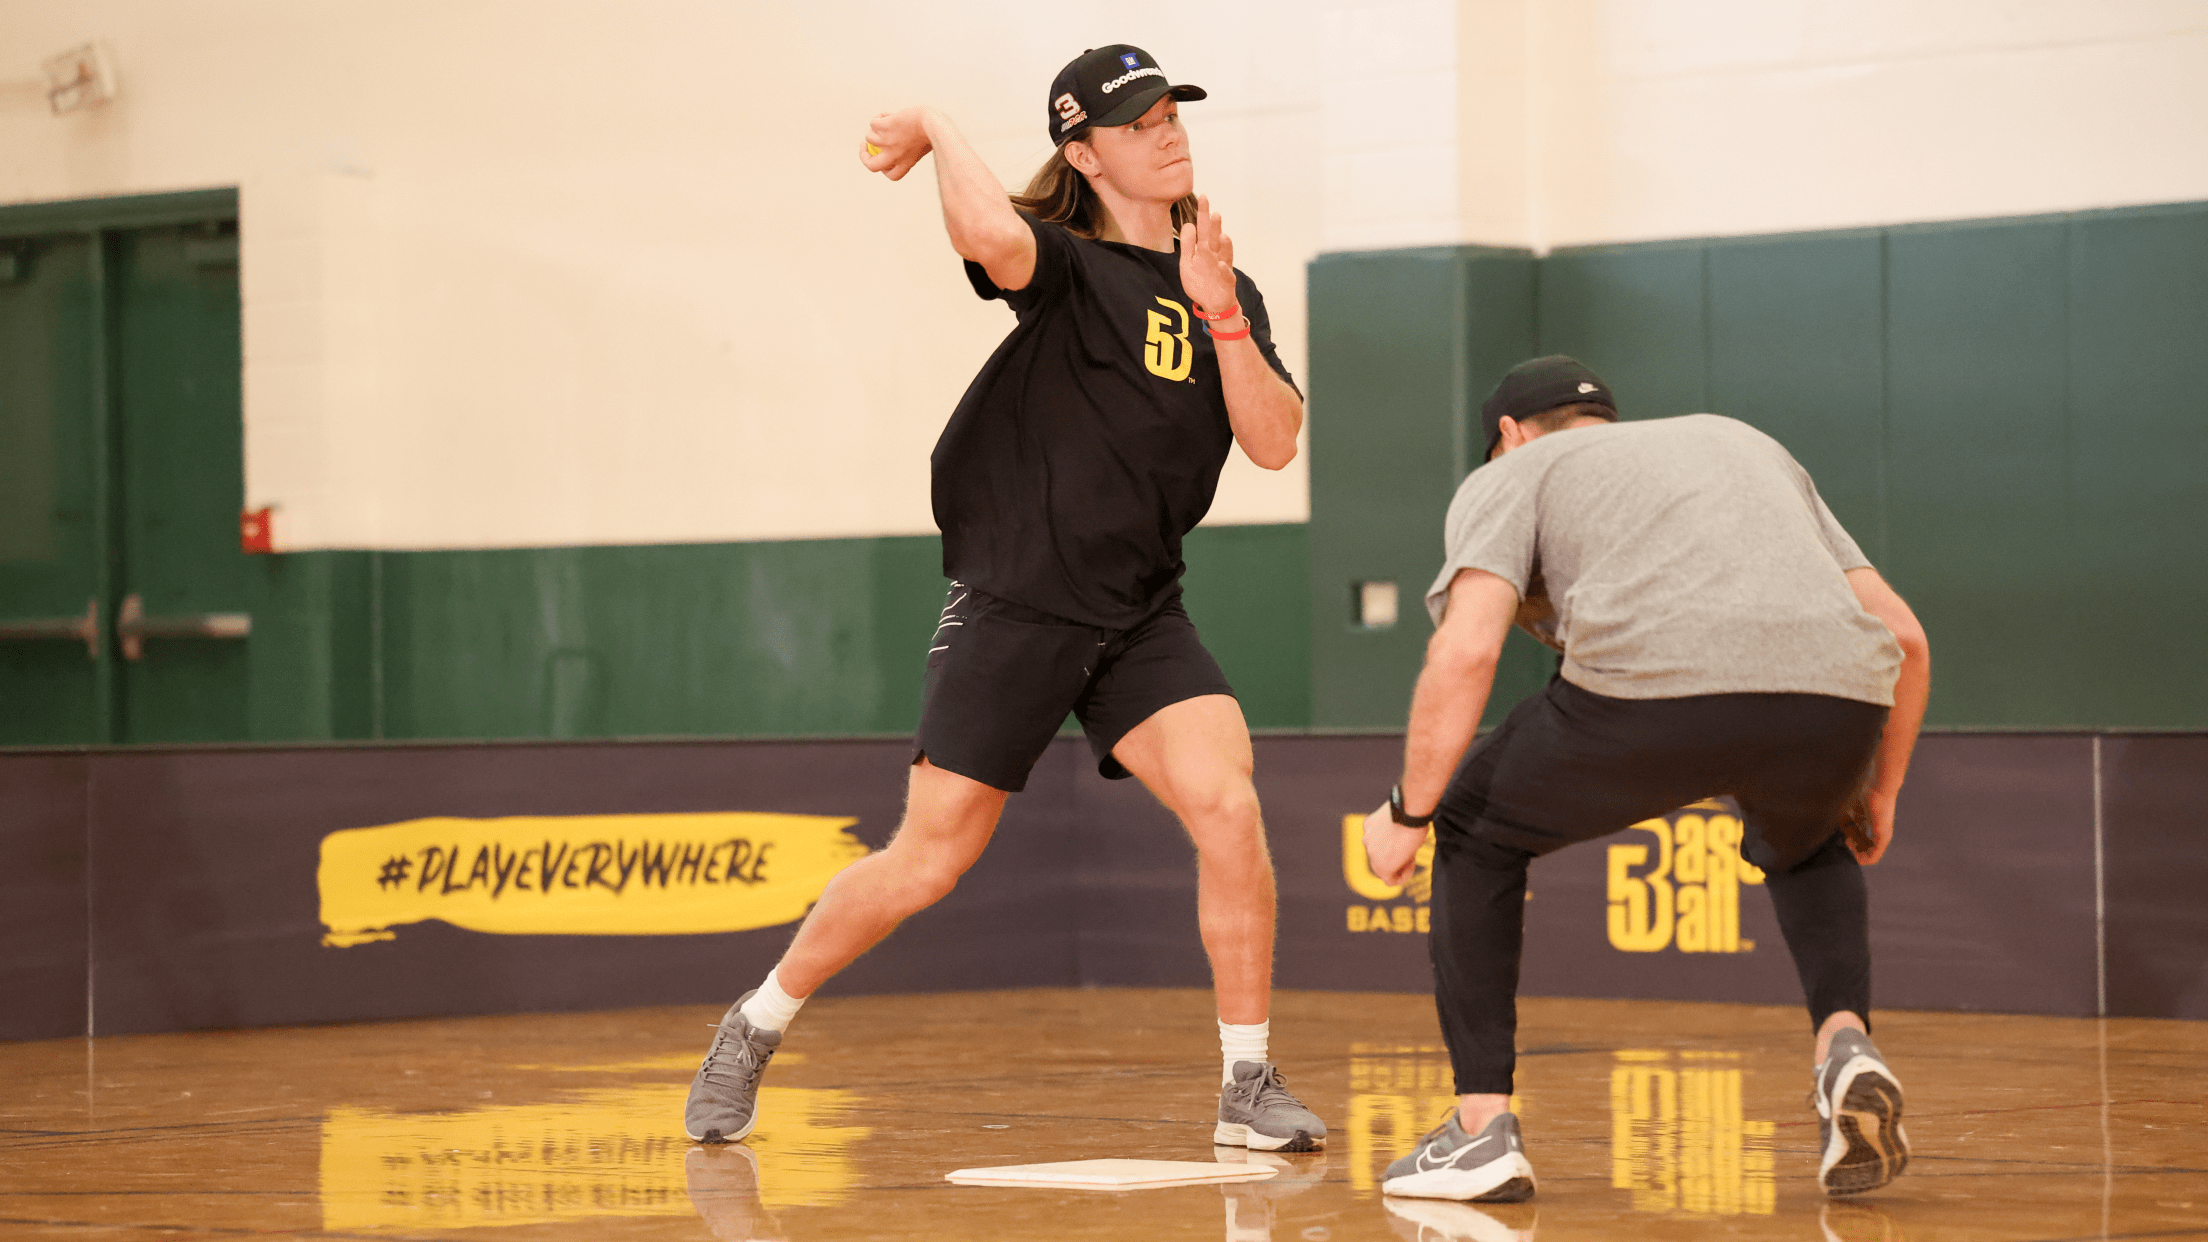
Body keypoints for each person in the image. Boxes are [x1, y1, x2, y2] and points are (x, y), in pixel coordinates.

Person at [683, 44, 1326, 1154]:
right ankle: (755, 1022)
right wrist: (936, 119)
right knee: (929, 859)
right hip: (1019, 602)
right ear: (1082, 152)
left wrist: (1222, 311)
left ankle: (1247, 1083)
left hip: (1139, 612)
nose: (1171, 132)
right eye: (1140, 122)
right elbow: (988, 236)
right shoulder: (1071, 269)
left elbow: (1273, 443)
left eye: (1175, 113)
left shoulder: (1228, 282)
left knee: (1229, 805)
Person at [1361, 356, 1931, 1201]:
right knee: (1807, 842)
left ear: (1508, 436)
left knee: (1474, 826)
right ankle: (1843, 1045)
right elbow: (1906, 637)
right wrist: (1878, 791)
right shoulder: (1744, 446)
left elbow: (1468, 648)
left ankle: (1480, 1131)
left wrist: (1409, 811)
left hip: (1648, 694)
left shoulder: (1515, 473)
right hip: (1840, 697)